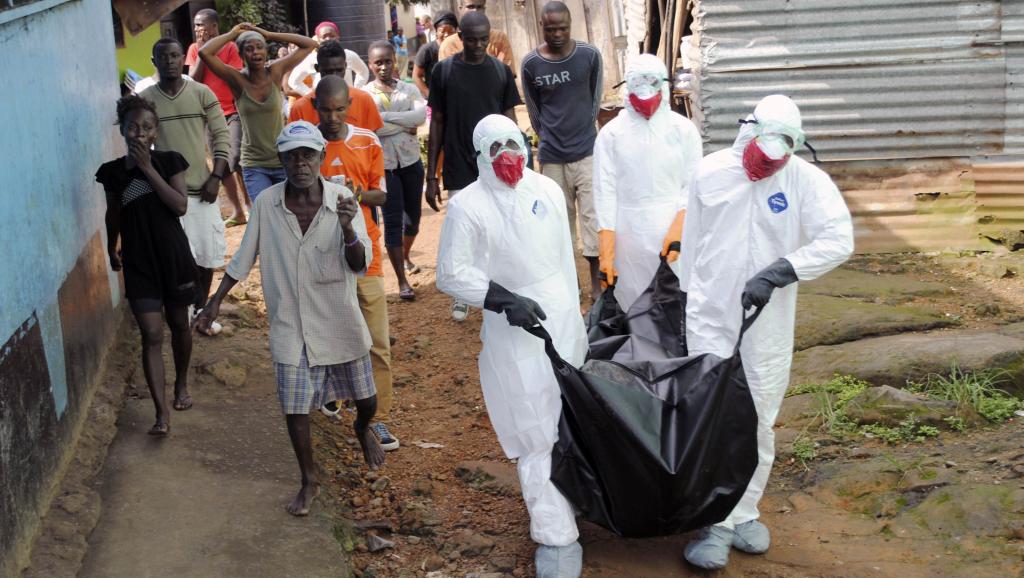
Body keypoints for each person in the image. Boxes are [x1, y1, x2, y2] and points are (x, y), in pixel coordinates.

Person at [678, 95, 854, 570]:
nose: (766, 167)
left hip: (767, 322)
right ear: (748, 132)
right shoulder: (711, 171)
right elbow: (692, 243)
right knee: (712, 415)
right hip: (710, 315)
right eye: (761, 155)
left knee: (758, 415)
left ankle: (743, 509)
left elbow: (839, 238)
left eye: (778, 160)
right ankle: (712, 519)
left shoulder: (806, 182)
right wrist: (683, 298)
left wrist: (782, 270)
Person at [195, 121, 386, 516]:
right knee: (295, 407)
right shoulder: (266, 202)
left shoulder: (342, 199)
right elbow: (244, 256)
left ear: (319, 157)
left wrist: (349, 226)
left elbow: (360, 263)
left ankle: (361, 426)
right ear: (281, 161)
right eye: (292, 156)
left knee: (366, 399)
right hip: (291, 322)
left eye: (308, 155)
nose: (300, 163)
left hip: (337, 317)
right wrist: (214, 302)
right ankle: (309, 479)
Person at [436, 114, 586, 578]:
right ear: (479, 153)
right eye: (494, 145)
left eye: (513, 142)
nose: (506, 152)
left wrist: (576, 314)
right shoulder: (468, 206)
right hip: (512, 328)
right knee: (535, 426)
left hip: (561, 317)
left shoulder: (548, 190)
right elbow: (451, 274)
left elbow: (565, 254)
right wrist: (502, 299)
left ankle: (578, 501)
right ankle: (555, 536)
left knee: (571, 417)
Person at [96, 95, 197, 436]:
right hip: (139, 262)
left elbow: (180, 206)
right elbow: (114, 214)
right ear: (122, 130)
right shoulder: (111, 173)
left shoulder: (170, 162)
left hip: (173, 257)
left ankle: (181, 383)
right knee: (152, 334)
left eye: (147, 128)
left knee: (179, 325)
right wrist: (112, 247)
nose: (140, 133)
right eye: (133, 127)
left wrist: (147, 169)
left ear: (156, 132)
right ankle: (161, 412)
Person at [312, 76, 400, 452]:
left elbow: (381, 194)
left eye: (339, 109)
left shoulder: (367, 140)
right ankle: (337, 395)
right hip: (321, 255)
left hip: (366, 254)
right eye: (326, 110)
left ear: (349, 106)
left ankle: (378, 419)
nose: (333, 117)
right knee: (332, 334)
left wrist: (354, 192)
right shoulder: (306, 145)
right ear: (315, 107)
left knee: (377, 340)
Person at [426, 11, 521, 321]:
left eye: (483, 39)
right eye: (471, 39)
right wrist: (431, 175)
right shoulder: (443, 71)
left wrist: (520, 163)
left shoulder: (500, 72)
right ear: (461, 38)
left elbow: (511, 124)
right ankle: (461, 294)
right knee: (461, 231)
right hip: (458, 162)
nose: (478, 45)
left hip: (496, 165)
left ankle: (500, 287)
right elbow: (437, 122)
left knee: (500, 226)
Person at [592, 54, 703, 312]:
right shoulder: (611, 135)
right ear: (626, 87)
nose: (646, 94)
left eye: (652, 83)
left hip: (674, 237)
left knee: (677, 307)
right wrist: (606, 249)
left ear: (664, 84)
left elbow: (693, 184)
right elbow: (604, 191)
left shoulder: (683, 130)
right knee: (635, 308)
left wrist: (680, 226)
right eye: (637, 84)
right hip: (628, 235)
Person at [140, 37, 230, 338]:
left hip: (202, 191)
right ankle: (183, 314)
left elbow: (221, 136)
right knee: (176, 261)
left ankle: (200, 312)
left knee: (206, 259)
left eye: (175, 56)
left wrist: (216, 177)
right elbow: (140, 142)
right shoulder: (147, 100)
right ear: (154, 62)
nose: (170, 61)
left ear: (184, 59)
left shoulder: (201, 93)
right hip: (166, 197)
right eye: (163, 57)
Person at [522, 1, 603, 303]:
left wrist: (581, 130)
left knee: (592, 220)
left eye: (563, 27)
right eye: (551, 28)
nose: (557, 33)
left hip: (587, 152)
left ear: (571, 25)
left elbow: (594, 101)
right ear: (541, 27)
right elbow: (534, 111)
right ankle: (570, 285)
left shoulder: (589, 55)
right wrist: (550, 137)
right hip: (553, 157)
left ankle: (596, 286)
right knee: (559, 223)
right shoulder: (531, 64)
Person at [199, 22, 316, 200]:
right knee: (266, 215)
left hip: (283, 160)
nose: (256, 52)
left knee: (290, 214)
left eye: (260, 47)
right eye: (249, 49)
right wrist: (232, 34)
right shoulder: (237, 80)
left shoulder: (275, 72)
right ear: (241, 55)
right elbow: (205, 53)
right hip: (254, 164)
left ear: (266, 51)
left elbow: (309, 44)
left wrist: (269, 34)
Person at [365, 40, 426, 300]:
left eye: (387, 61)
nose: (383, 66)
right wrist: (404, 123)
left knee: (413, 220)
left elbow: (421, 118)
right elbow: (373, 128)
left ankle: (405, 255)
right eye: (378, 62)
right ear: (370, 64)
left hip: (411, 162)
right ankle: (402, 281)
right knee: (392, 222)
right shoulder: (365, 94)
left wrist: (386, 119)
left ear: (395, 61)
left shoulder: (409, 89)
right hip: (384, 167)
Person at [185, 8, 250, 226]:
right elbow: (193, 78)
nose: (197, 29)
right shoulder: (195, 49)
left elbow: (231, 76)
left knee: (235, 160)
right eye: (195, 25)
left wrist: (210, 51)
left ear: (214, 27)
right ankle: (238, 211)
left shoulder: (230, 47)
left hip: (232, 112)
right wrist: (203, 51)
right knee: (221, 165)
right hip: (209, 115)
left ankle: (251, 206)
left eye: (201, 24)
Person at [288, 40, 383, 134]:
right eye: (328, 71)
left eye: (339, 70)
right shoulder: (300, 108)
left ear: (345, 66)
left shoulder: (364, 100)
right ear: (317, 69)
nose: (334, 75)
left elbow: (373, 141)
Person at [288, 21, 370, 94]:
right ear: (318, 40)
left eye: (332, 36)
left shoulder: (349, 55)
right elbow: (293, 81)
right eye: (324, 37)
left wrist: (355, 90)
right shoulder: (311, 59)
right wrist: (311, 95)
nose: (328, 39)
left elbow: (363, 72)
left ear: (338, 37)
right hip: (322, 104)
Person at [437, 0, 514, 68]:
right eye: (470, 6)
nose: (475, 11)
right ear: (460, 9)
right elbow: (448, 80)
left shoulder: (499, 38)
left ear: (484, 9)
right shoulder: (448, 45)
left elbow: (506, 75)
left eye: (479, 7)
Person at [413, 11, 457, 99]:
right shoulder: (427, 50)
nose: (446, 34)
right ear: (436, 31)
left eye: (451, 31)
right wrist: (430, 96)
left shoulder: (460, 48)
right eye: (442, 31)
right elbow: (416, 76)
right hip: (436, 97)